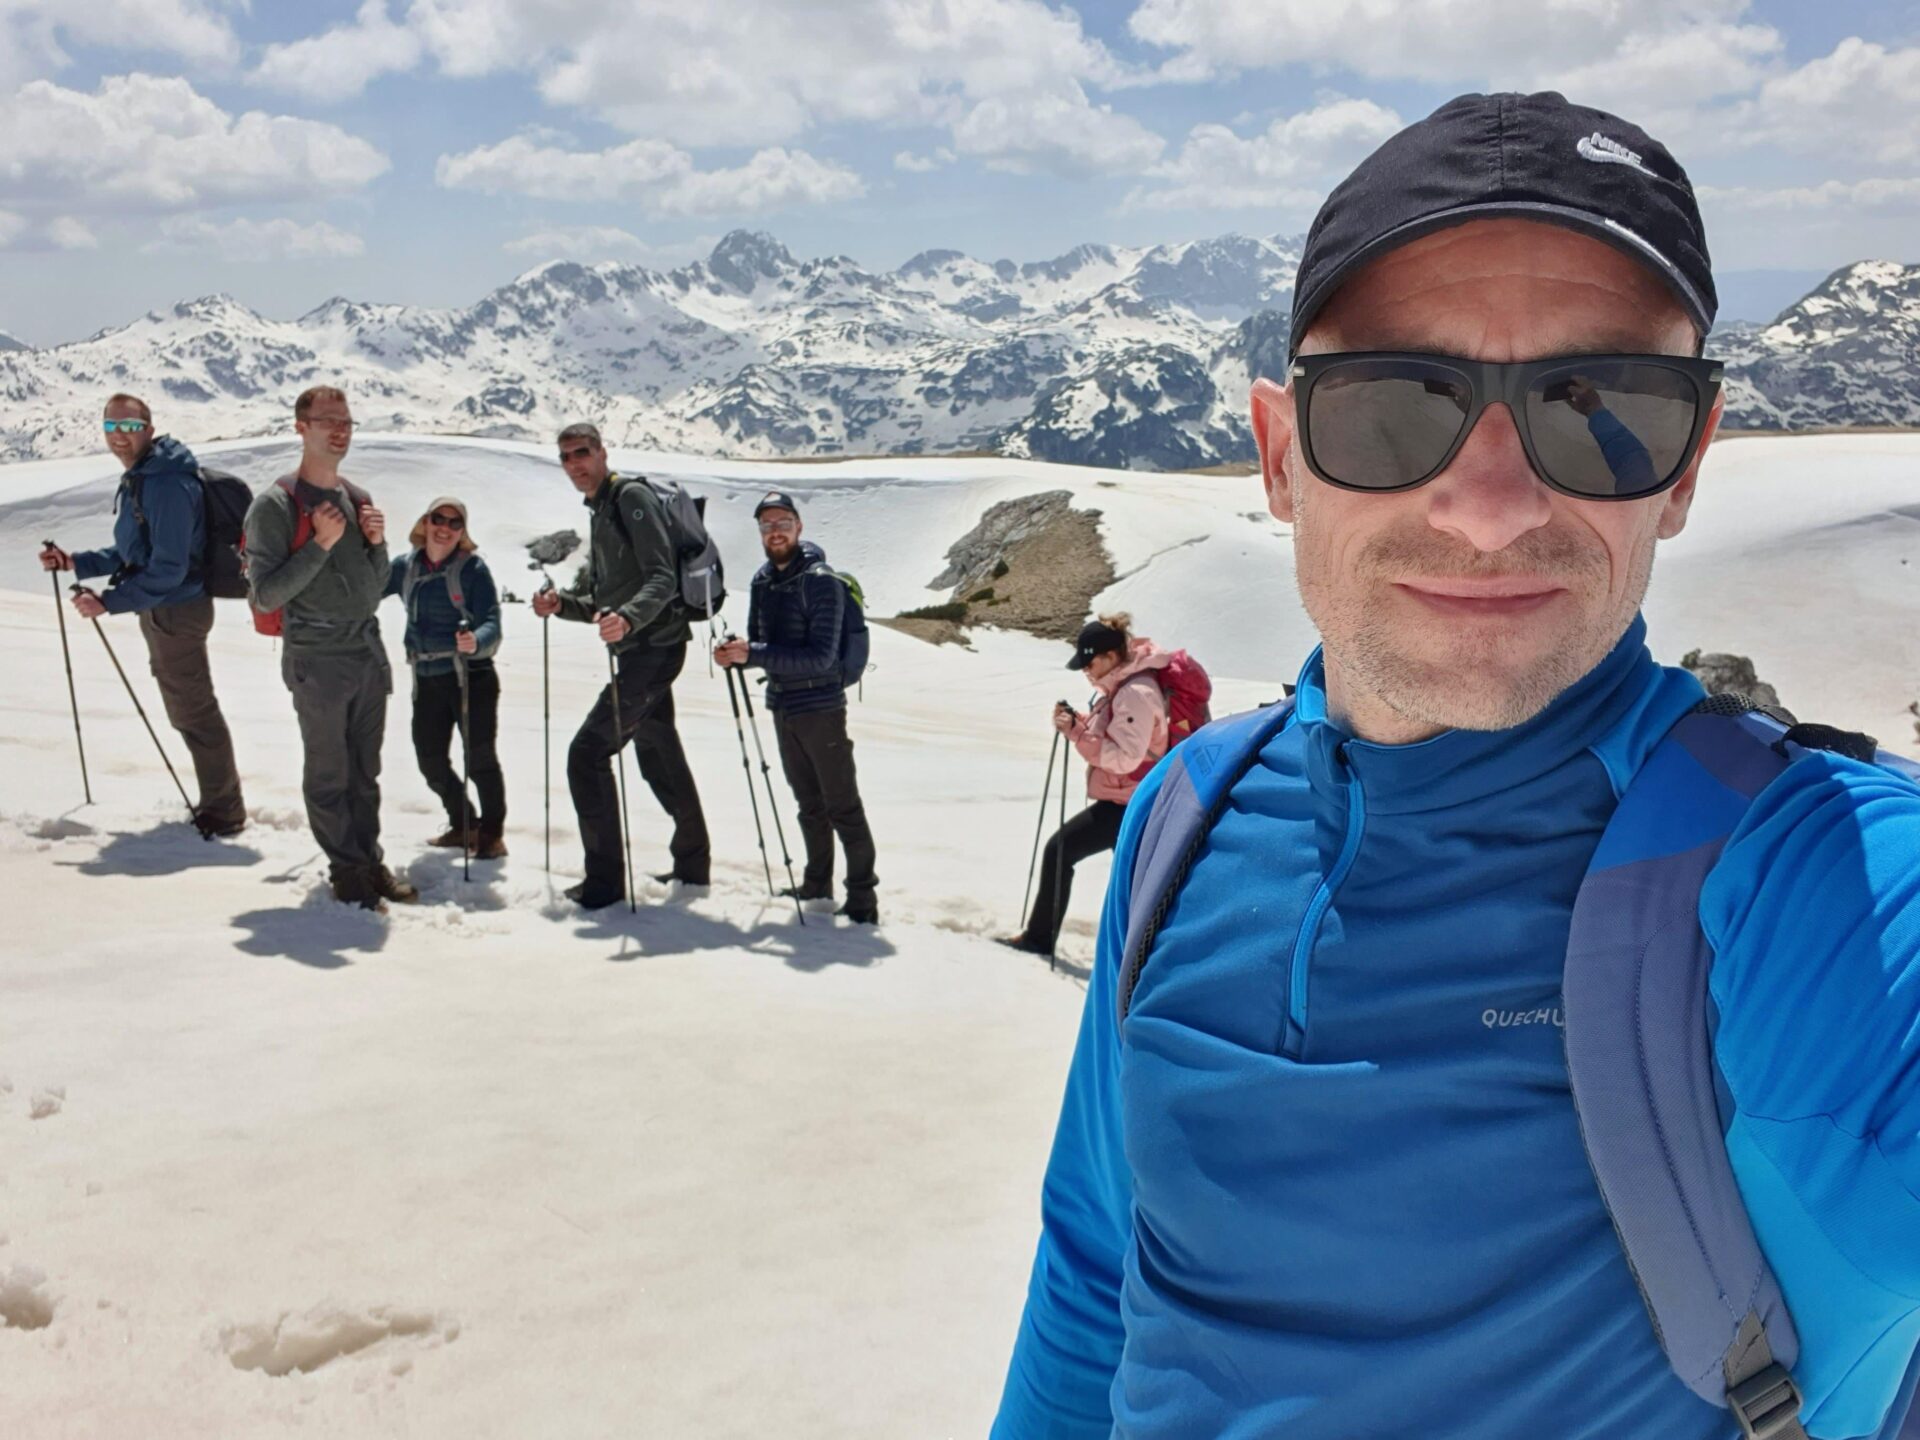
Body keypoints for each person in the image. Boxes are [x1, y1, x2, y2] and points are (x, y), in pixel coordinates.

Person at [993, 92, 1920, 1440]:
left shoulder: (1808, 882)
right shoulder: (1184, 819)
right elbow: (1095, 1278)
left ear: (1684, 469)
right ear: (1279, 456)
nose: (1489, 509)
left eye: (1600, 407)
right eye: (1391, 406)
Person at [39, 394, 246, 837]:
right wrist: (77, 562)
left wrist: (109, 602)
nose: (119, 436)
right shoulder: (147, 475)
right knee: (189, 709)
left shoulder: (165, 483)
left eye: (129, 427)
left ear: (148, 430)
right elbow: (136, 551)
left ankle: (225, 812)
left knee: (194, 711)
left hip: (177, 610)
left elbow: (169, 568)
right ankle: (221, 803)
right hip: (167, 608)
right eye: (111, 427)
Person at [243, 385, 417, 912]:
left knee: (365, 772)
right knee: (329, 772)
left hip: (365, 652)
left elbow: (372, 588)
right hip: (316, 657)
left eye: (346, 422)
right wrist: (319, 543)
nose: (340, 431)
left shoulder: (356, 497)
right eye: (328, 421)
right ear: (301, 427)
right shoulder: (275, 506)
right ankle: (347, 871)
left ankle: (367, 860)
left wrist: (378, 544)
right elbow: (265, 594)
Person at [532, 423, 709, 910]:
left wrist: (628, 618)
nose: (574, 463)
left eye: (582, 452)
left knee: (586, 755)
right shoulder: (601, 509)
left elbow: (662, 578)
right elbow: (605, 601)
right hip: (642, 648)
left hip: (654, 648)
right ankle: (694, 865)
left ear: (602, 452)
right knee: (659, 755)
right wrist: (562, 606)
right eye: (566, 456)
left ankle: (604, 884)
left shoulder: (629, 498)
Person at [714, 490, 878, 924]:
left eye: (783, 523)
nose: (775, 531)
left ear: (799, 527)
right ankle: (817, 884)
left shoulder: (821, 581)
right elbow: (759, 643)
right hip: (783, 705)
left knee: (843, 807)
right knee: (809, 803)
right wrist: (737, 654)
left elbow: (821, 657)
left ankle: (863, 901)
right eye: (767, 525)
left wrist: (754, 654)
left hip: (822, 708)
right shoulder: (762, 581)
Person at [1000, 614, 1169, 958]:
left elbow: (1125, 758)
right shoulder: (1125, 687)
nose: (1086, 672)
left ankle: (1039, 940)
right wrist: (1077, 723)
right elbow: (1117, 739)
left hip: (1129, 805)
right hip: (1130, 801)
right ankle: (1141, 960)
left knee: (1060, 851)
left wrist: (1076, 733)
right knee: (1132, 886)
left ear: (1110, 656)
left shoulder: (1134, 693)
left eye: (1090, 664)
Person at [384, 496, 506, 859]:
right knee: (430, 760)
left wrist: (476, 641)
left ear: (462, 531)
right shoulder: (405, 567)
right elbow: (366, 589)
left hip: (471, 676)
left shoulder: (474, 570)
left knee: (479, 759)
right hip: (427, 677)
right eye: (439, 519)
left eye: (455, 523)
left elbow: (492, 622)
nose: (445, 528)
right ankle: (464, 823)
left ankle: (491, 835)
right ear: (426, 522)